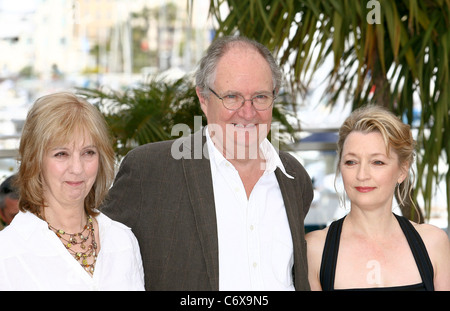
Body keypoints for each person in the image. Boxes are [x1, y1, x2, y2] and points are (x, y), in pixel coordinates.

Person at [102, 36, 314, 290]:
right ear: (203, 99)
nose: (247, 112)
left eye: (260, 97)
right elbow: (94, 253)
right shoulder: (150, 172)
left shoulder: (293, 177)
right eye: (232, 97)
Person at [0, 92, 145, 290]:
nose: (77, 168)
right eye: (61, 154)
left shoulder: (122, 240)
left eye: (88, 153)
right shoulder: (7, 253)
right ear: (34, 160)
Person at [306, 105, 450, 291]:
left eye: (377, 162)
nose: (362, 174)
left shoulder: (433, 243)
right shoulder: (315, 249)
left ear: (402, 170)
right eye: (351, 162)